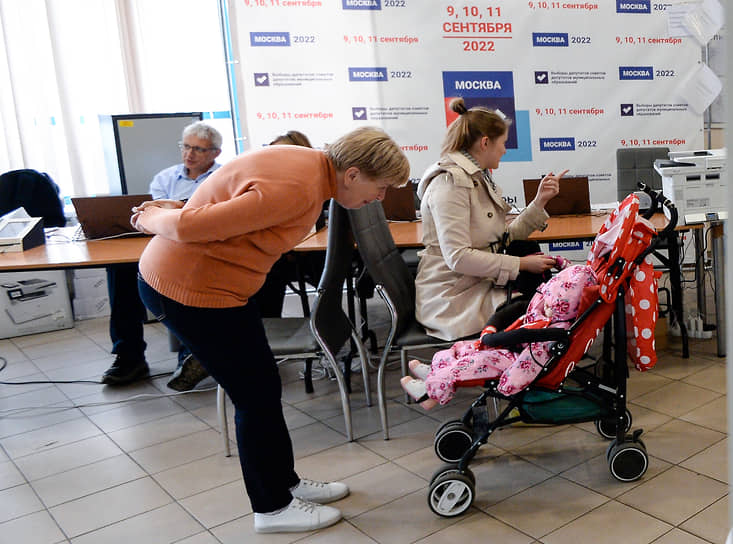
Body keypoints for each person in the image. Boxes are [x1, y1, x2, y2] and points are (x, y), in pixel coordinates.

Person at [131, 126, 410, 533]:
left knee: (263, 390)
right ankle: (272, 508)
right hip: (193, 291)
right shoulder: (298, 187)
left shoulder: (306, 164)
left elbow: (220, 203)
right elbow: (191, 227)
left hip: (217, 290)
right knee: (255, 398)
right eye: (380, 187)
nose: (379, 198)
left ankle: (286, 483)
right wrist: (153, 216)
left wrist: (171, 208)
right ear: (352, 174)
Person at [414, 97, 568, 341]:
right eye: (503, 143)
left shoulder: (474, 177)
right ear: (485, 143)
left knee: (534, 278)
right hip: (453, 299)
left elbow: (500, 238)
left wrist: (539, 202)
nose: (505, 150)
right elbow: (459, 258)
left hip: (472, 285)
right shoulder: (450, 185)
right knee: (534, 304)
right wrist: (521, 264)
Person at [101, 121, 222, 388]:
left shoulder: (223, 178)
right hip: (162, 243)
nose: (189, 154)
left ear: (215, 153)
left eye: (199, 149)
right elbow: (153, 215)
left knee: (182, 273)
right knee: (120, 271)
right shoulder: (165, 178)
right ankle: (128, 357)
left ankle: (190, 357)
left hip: (202, 250)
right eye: (186, 146)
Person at [249, 130, 325, 318]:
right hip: (280, 253)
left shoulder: (311, 185)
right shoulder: (262, 184)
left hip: (307, 256)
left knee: (269, 267)